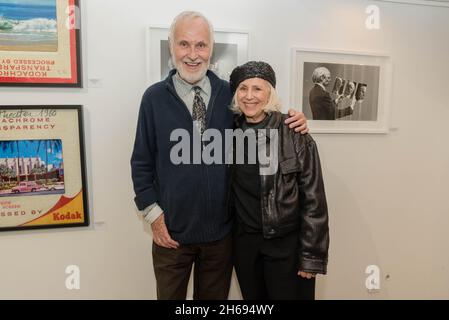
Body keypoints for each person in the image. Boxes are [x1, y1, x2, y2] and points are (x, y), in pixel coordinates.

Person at [130, 11, 309, 300]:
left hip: (221, 236)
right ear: (171, 46)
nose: (192, 54)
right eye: (184, 44)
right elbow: (141, 162)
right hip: (171, 234)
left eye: (200, 45)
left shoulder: (231, 95)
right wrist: (154, 217)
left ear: (211, 49)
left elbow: (262, 120)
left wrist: (294, 119)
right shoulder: (153, 98)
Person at [228, 61, 329, 300]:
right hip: (245, 247)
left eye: (257, 89)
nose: (249, 96)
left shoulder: (294, 133)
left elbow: (314, 199)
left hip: (286, 247)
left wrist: (311, 257)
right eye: (243, 89)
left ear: (270, 94)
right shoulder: (228, 133)